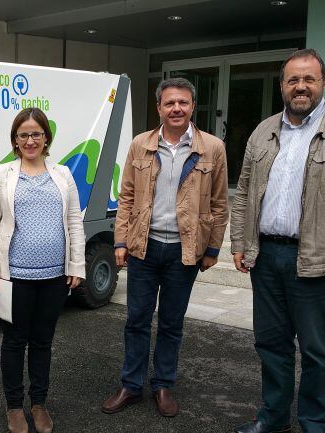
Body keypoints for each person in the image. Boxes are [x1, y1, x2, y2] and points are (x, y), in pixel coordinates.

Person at [230, 49, 325, 433]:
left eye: (309, 79)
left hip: (318, 264)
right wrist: (239, 242)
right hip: (265, 258)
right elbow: (245, 191)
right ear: (282, 85)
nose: (301, 87)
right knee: (270, 346)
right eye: (293, 80)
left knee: (316, 352)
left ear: (323, 83)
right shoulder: (263, 131)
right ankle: (274, 419)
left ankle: (316, 424)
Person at [102, 78, 229, 417]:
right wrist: (121, 240)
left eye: (183, 103)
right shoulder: (140, 145)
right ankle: (131, 385)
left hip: (184, 251)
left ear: (192, 107)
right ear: (159, 108)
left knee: (172, 322)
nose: (177, 108)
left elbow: (219, 203)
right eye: (170, 103)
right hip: (144, 246)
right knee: (137, 320)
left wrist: (213, 249)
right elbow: (126, 195)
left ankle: (162, 386)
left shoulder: (212, 147)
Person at [0, 107, 86, 433]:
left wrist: (76, 265)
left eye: (36, 134)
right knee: (14, 342)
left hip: (54, 276)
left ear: (46, 138)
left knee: (43, 342)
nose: (30, 140)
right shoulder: (2, 174)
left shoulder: (63, 174)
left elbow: (74, 222)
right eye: (23, 134)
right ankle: (14, 407)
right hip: (15, 276)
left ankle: (39, 404)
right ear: (15, 139)